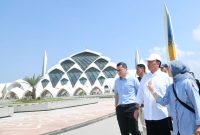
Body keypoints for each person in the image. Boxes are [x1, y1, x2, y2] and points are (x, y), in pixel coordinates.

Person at [148, 60, 200, 135]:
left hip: (190, 126)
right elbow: (163, 101)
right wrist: (153, 91)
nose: (167, 69)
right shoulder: (171, 87)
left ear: (175, 69)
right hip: (177, 128)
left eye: (169, 68)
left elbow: (197, 103)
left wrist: (199, 125)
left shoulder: (188, 82)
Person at [135, 53, 172, 135]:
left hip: (162, 115)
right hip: (149, 116)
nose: (148, 64)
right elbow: (140, 94)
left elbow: (170, 95)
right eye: (148, 62)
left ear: (158, 63)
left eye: (151, 62)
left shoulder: (165, 77)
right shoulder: (145, 78)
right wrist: (136, 109)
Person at [114, 62, 141, 135]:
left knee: (134, 130)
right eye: (117, 70)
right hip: (120, 108)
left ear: (126, 69)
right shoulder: (116, 81)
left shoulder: (133, 79)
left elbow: (140, 93)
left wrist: (137, 108)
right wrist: (116, 106)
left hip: (131, 107)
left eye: (120, 70)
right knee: (123, 131)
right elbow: (116, 94)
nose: (118, 72)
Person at [136, 64, 147, 135]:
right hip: (140, 107)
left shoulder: (148, 78)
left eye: (138, 69)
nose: (136, 71)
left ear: (142, 69)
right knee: (144, 125)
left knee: (149, 125)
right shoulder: (137, 80)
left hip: (147, 106)